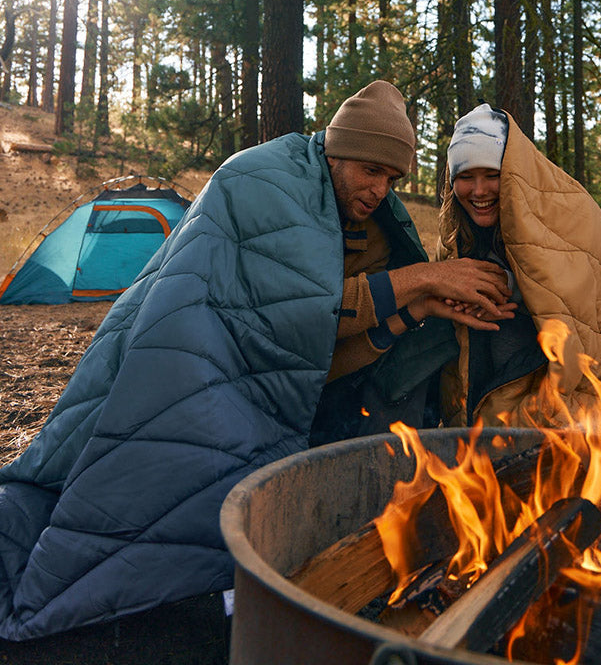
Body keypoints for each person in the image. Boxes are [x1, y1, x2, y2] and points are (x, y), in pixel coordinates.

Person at [0, 81, 512, 641]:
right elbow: (286, 313)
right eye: (370, 170)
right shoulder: (265, 179)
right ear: (338, 150)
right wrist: (421, 279)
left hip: (246, 385)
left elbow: (307, 355)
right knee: (146, 491)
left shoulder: (366, 222)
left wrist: (413, 313)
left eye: (392, 178)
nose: (379, 189)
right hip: (181, 363)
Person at [437, 103, 601, 442]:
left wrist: (512, 290)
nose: (479, 191)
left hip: (566, 361)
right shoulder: (454, 236)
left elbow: (590, 314)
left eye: (492, 175)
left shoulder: (566, 212)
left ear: (513, 171)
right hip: (498, 370)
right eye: (465, 177)